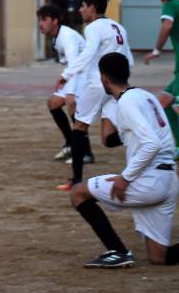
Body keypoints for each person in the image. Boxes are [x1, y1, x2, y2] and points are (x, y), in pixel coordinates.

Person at [68, 52, 179, 268]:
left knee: (78, 193)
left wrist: (125, 178)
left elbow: (151, 144)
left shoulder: (127, 102)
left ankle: (118, 251)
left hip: (149, 182)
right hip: (168, 181)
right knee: (159, 257)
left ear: (104, 79)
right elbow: (112, 139)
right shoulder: (145, 96)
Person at [55, 0, 134, 191]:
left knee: (79, 127)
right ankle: (139, 137)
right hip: (115, 85)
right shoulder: (118, 27)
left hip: (98, 83)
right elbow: (129, 59)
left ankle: (76, 179)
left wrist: (67, 74)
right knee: (108, 138)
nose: (81, 10)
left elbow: (88, 54)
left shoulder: (93, 27)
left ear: (91, 7)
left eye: (83, 6)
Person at [37, 4, 85, 161]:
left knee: (72, 106)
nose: (40, 24)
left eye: (44, 19)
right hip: (77, 74)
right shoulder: (57, 37)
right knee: (53, 103)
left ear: (55, 21)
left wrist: (70, 91)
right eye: (39, 20)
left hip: (86, 76)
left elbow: (74, 64)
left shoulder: (67, 37)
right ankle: (71, 144)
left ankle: (83, 151)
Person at [142, 0, 179, 159]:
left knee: (177, 107)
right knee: (163, 103)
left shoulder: (171, 5)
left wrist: (157, 50)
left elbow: (167, 25)